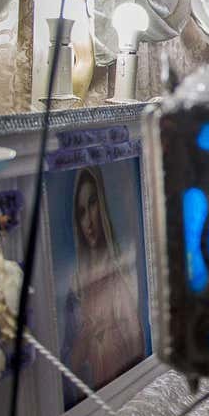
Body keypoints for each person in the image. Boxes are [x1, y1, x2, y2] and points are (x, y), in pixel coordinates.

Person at [60, 165, 143, 397]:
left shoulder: (121, 269)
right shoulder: (76, 286)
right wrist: (86, 337)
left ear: (103, 205)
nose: (88, 221)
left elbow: (137, 343)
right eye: (81, 211)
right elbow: (68, 367)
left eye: (93, 203)